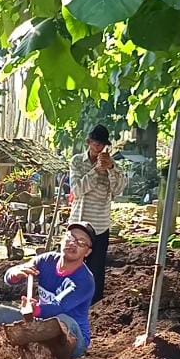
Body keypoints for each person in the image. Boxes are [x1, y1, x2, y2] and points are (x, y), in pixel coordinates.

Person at [0, 222, 97, 359]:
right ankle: (27, 353)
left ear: (87, 252)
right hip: (41, 327)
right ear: (62, 240)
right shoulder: (47, 260)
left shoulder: (85, 280)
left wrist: (36, 310)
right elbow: (10, 278)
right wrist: (16, 273)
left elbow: (58, 307)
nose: (73, 244)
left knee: (62, 319)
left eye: (81, 242)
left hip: (72, 339)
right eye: (70, 237)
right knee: (0, 314)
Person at [69, 124, 126, 304]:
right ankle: (70, 300)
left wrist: (110, 169)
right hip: (79, 222)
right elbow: (77, 190)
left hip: (100, 225)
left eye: (101, 145)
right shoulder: (77, 161)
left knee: (97, 269)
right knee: (73, 263)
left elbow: (118, 190)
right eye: (95, 144)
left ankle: (95, 306)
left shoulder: (113, 165)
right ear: (89, 142)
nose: (98, 148)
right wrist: (96, 171)